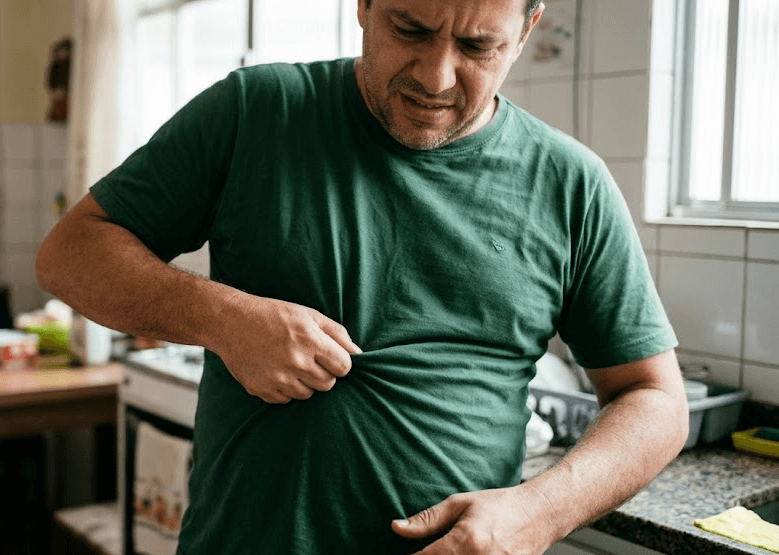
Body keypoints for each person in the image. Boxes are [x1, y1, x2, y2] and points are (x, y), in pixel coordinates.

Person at [35, 0, 690, 553]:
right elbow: (71, 252)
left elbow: (654, 399)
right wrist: (221, 316)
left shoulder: (570, 184)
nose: (436, 75)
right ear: (363, 5)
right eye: (409, 30)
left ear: (524, 32)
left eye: (476, 45)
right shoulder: (256, 111)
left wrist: (540, 511)